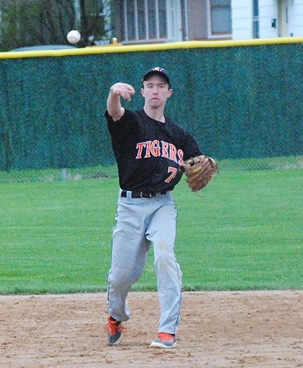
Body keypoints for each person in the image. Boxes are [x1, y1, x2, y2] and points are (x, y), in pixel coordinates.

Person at [104, 67, 203, 349]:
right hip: (130, 206)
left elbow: (196, 162)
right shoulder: (132, 123)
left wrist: (198, 165)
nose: (156, 90)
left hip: (162, 204)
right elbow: (115, 112)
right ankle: (115, 315)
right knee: (122, 276)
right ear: (143, 91)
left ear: (169, 93)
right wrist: (114, 93)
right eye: (150, 85)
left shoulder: (179, 134)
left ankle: (167, 330)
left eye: (161, 86)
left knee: (164, 256)